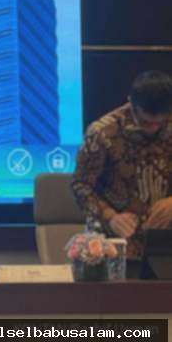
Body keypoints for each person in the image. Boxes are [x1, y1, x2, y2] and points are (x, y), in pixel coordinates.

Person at [72, 70, 172, 259]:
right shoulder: (103, 133)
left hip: (166, 238)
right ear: (131, 103)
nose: (153, 128)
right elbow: (80, 185)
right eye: (145, 122)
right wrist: (110, 216)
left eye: (160, 123)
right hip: (116, 242)